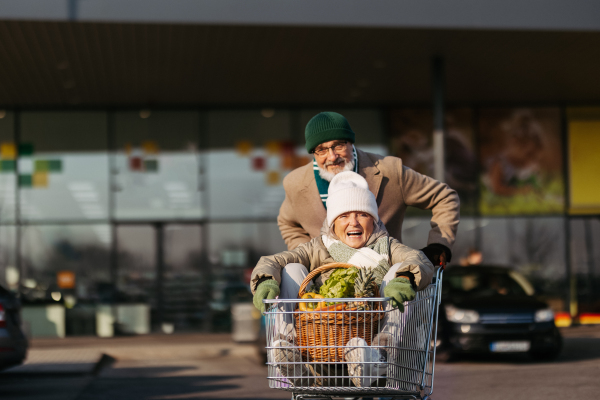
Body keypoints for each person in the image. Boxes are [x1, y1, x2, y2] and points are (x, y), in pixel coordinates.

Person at [252, 171, 436, 387]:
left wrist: (404, 277)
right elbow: (273, 261)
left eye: (362, 214)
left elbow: (418, 259)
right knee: (291, 268)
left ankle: (379, 356)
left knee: (398, 269)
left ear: (373, 219)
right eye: (344, 216)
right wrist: (265, 280)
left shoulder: (387, 246)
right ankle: (292, 349)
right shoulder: (317, 247)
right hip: (321, 338)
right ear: (333, 222)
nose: (353, 223)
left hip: (373, 334)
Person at [278, 111, 460, 267]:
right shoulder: (295, 183)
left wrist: (439, 244)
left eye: (339, 145)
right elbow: (288, 223)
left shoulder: (390, 171)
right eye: (321, 150)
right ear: (313, 153)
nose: (332, 156)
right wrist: (307, 257)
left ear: (351, 142)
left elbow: (444, 197)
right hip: (325, 288)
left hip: (387, 286)